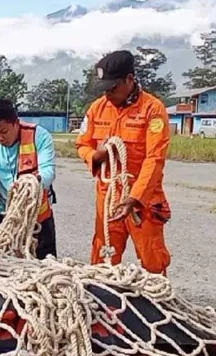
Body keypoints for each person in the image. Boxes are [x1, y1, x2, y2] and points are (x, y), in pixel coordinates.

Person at [75, 50, 172, 275]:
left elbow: (155, 159)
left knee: (152, 261)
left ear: (130, 79)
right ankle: (104, 306)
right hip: (107, 197)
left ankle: (155, 307)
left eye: (113, 87)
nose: (108, 94)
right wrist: (96, 156)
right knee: (103, 258)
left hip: (143, 199)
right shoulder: (97, 109)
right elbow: (82, 145)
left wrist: (134, 198)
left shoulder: (153, 110)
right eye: (104, 88)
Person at [0, 98, 57, 259]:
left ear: (16, 123)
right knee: (0, 272)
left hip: (35, 218)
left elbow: (49, 170)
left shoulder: (39, 136)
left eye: (4, 132)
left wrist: (34, 182)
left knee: (43, 269)